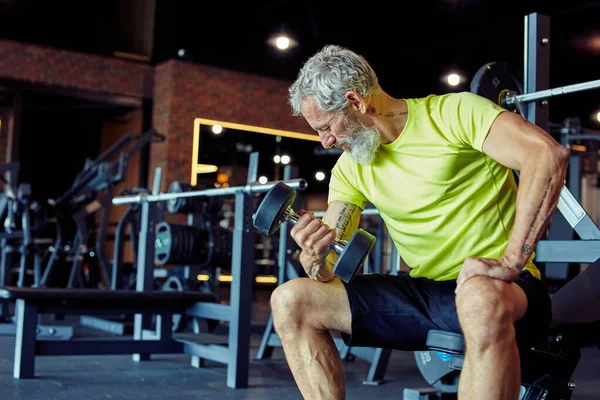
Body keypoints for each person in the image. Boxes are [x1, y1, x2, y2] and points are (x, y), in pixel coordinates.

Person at [269, 44, 570, 400]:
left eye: (326, 127)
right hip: (425, 291)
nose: (325, 140)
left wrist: (510, 262)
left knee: (478, 298)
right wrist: (314, 256)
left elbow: (546, 155)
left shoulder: (454, 113)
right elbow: (328, 265)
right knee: (291, 300)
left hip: (500, 287)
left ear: (355, 101)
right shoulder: (350, 169)